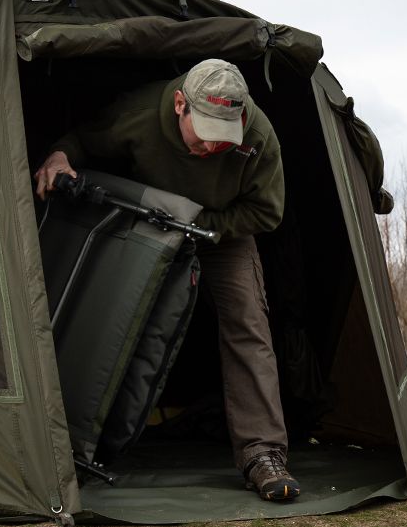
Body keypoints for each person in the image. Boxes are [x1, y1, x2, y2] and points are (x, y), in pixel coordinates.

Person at [33, 58, 300, 501]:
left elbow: (266, 212)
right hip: (150, 225)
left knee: (248, 325)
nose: (213, 146)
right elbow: (81, 141)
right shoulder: (138, 114)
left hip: (222, 230)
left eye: (224, 137)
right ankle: (67, 438)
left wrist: (201, 224)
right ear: (180, 105)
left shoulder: (257, 135)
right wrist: (59, 156)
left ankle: (263, 454)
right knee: (112, 315)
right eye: (205, 132)